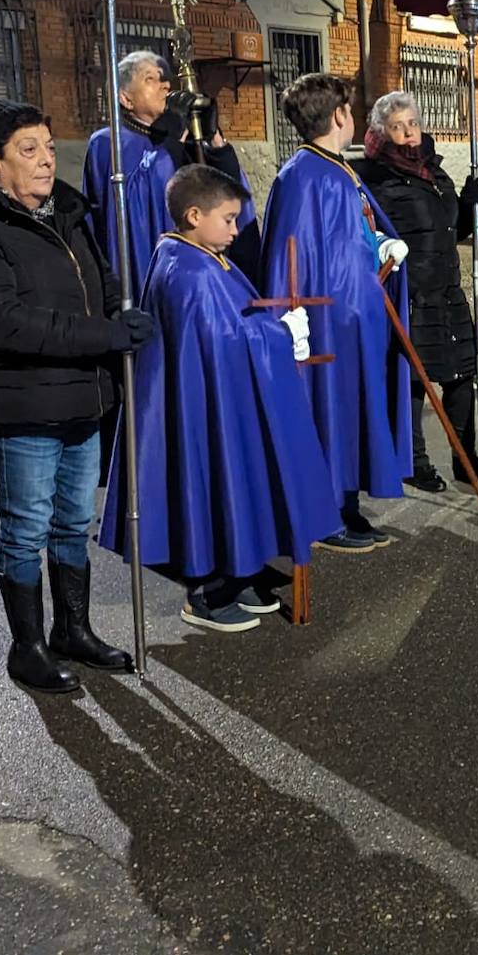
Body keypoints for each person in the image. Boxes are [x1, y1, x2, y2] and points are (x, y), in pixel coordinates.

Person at [0, 98, 153, 692]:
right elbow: (5, 323)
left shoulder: (67, 215)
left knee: (72, 520)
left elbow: (103, 284)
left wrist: (124, 319)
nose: (43, 160)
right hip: (22, 405)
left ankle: (72, 630)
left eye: (49, 148)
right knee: (27, 525)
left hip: (83, 400)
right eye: (27, 150)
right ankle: (27, 646)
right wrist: (103, 336)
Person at [99, 165, 343, 631]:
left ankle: (238, 569)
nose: (236, 230)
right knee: (211, 477)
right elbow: (224, 340)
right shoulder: (189, 270)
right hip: (203, 401)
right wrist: (279, 333)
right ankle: (208, 590)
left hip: (216, 390)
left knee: (234, 476)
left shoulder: (197, 255)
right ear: (194, 215)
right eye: (229, 219)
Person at [259, 73, 412, 553]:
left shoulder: (339, 169)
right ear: (339, 116)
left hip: (355, 316)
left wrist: (382, 244)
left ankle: (344, 502)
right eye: (349, 108)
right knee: (327, 411)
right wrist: (291, 316)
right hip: (326, 321)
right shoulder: (302, 175)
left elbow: (353, 238)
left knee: (352, 411)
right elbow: (291, 254)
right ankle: (322, 514)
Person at [356, 90, 478, 493]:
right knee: (412, 381)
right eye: (397, 127)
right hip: (410, 293)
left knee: (461, 377)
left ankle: (466, 459)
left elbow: (447, 232)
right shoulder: (372, 177)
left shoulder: (434, 172)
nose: (407, 134)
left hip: (447, 290)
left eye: (412, 124)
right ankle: (414, 462)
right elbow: (368, 234)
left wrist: (474, 209)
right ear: (380, 132)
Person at [83, 50, 262, 295]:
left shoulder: (176, 133)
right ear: (125, 98)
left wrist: (214, 141)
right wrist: (172, 143)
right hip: (155, 272)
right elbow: (134, 205)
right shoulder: (108, 143)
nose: (165, 85)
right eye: (150, 79)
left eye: (163, 78)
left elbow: (225, 190)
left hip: (204, 268)